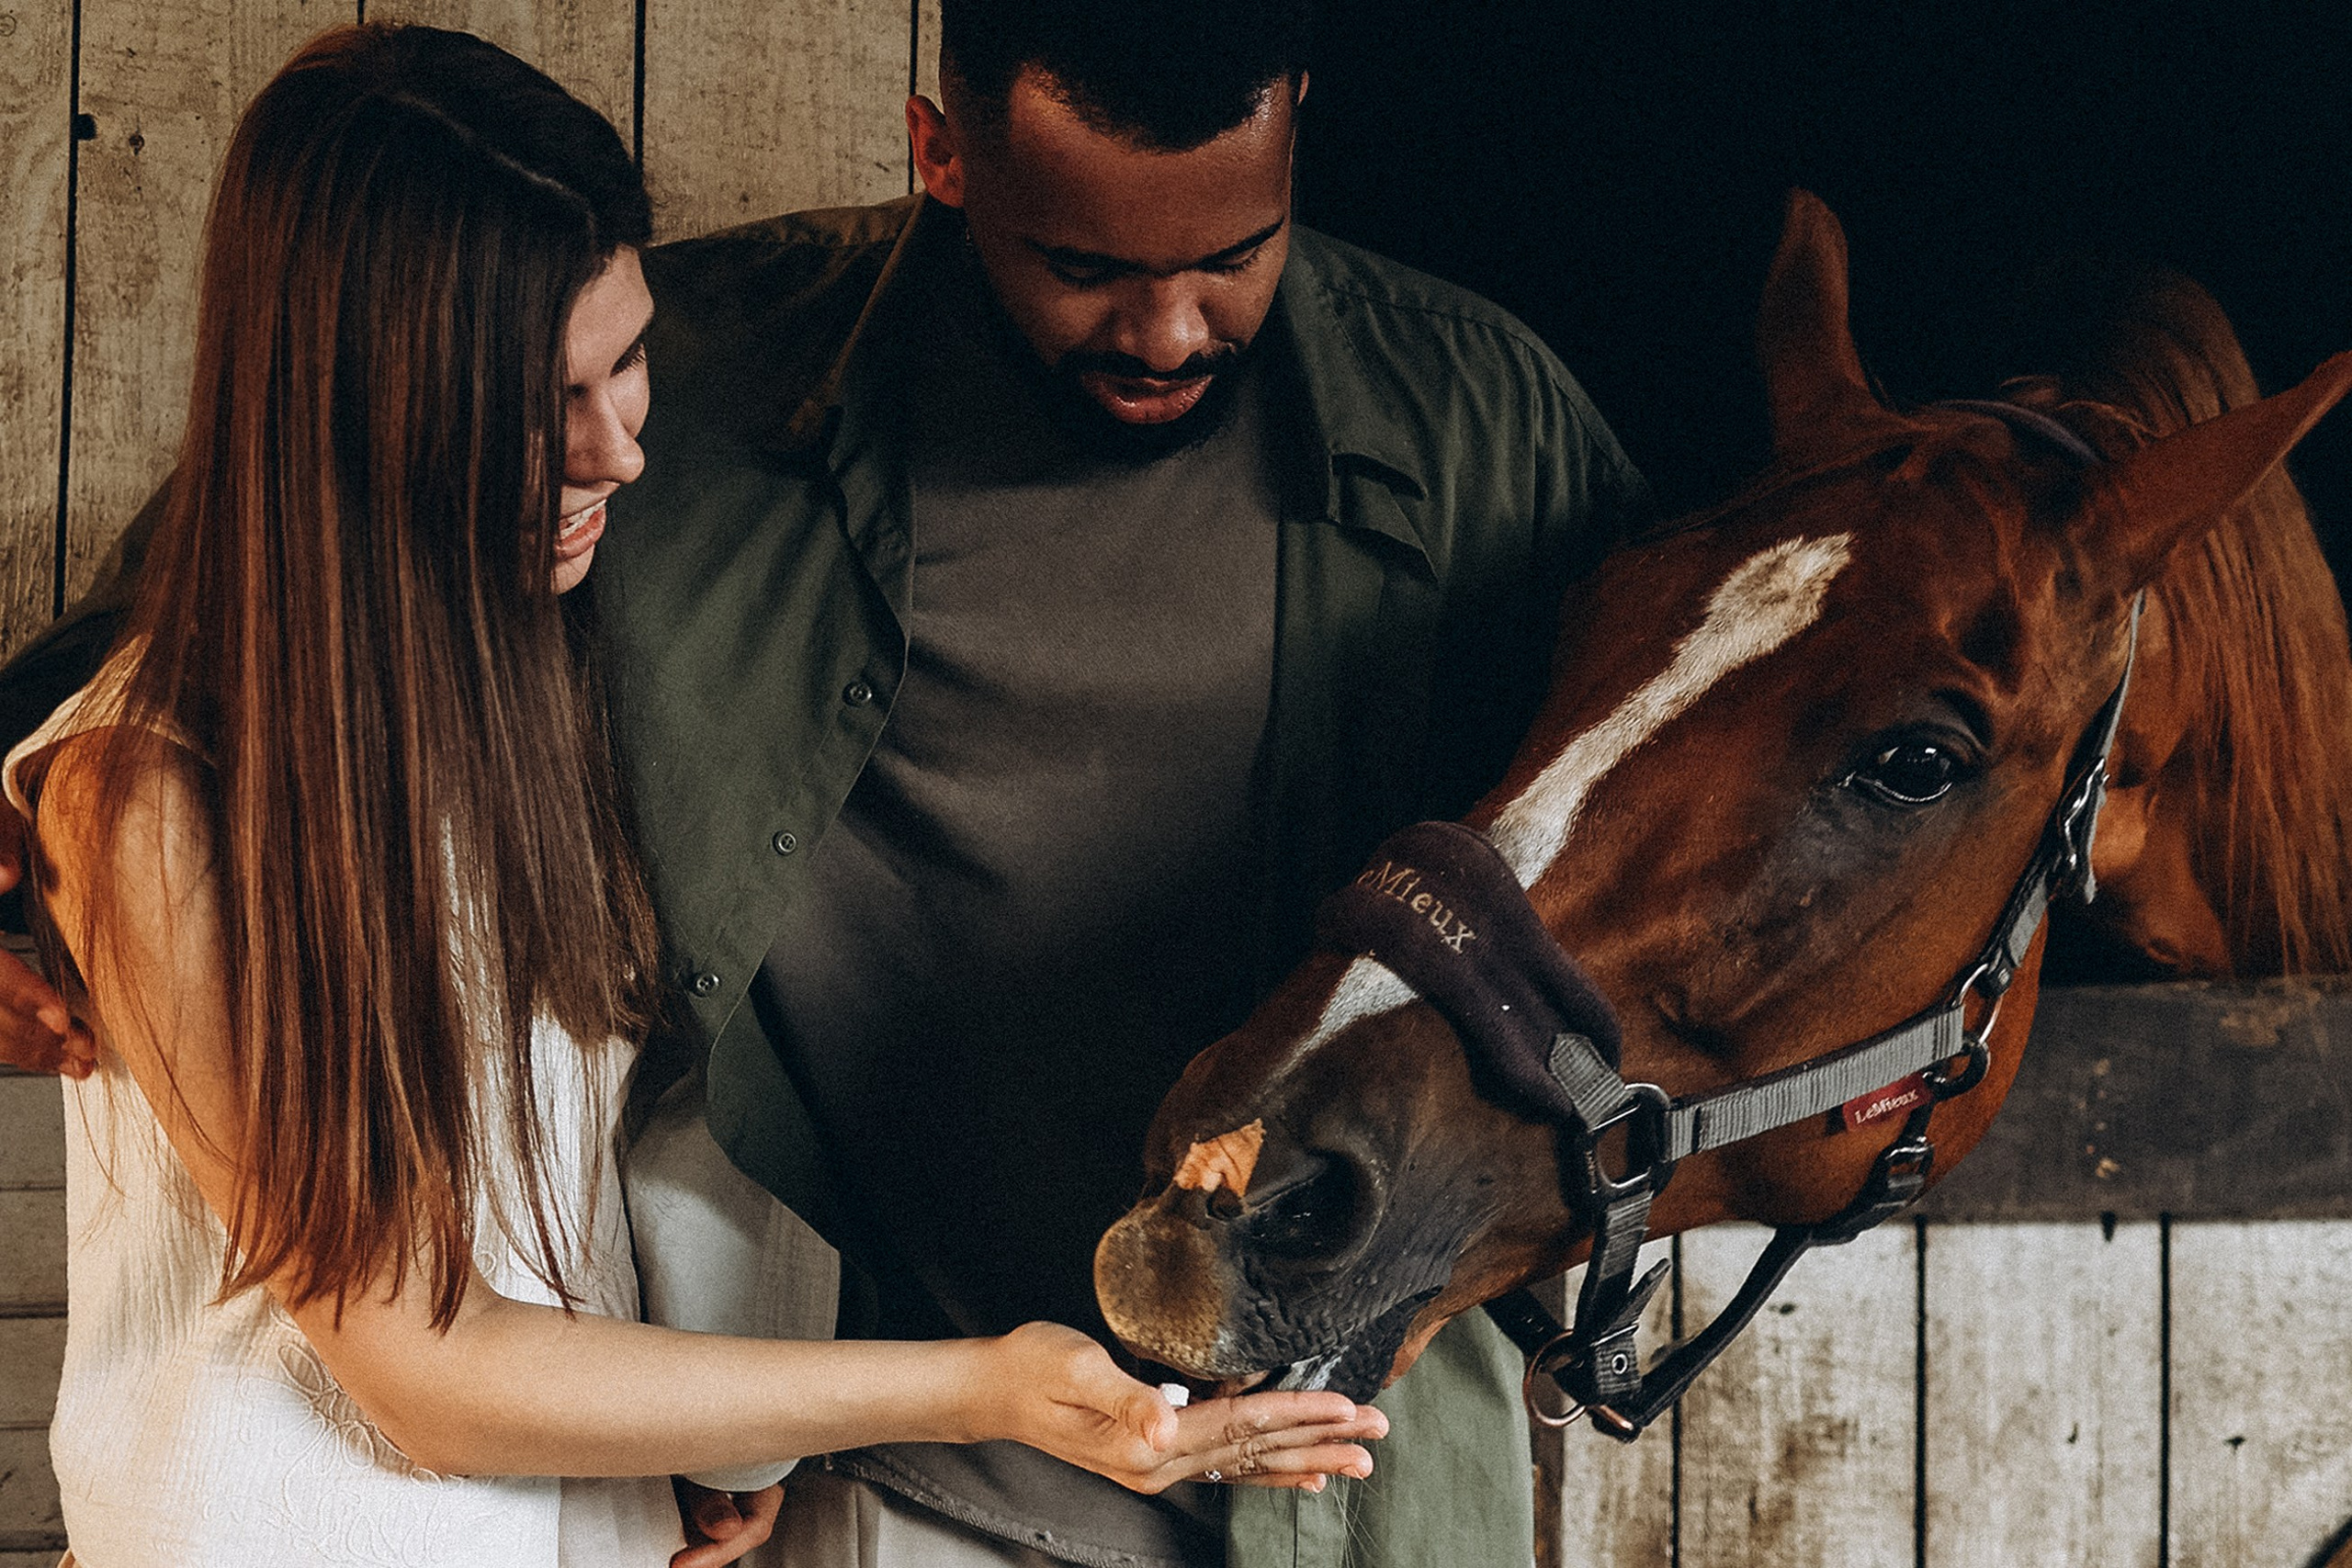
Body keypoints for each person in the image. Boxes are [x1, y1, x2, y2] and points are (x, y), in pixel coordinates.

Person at [0, 23, 1385, 1568]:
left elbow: (569, 1163)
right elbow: (431, 1368)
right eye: (539, 403)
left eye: (631, 360)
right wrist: (987, 1386)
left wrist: (704, 1426)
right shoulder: (151, 800)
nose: (619, 451)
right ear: (348, 403)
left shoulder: (531, 677)